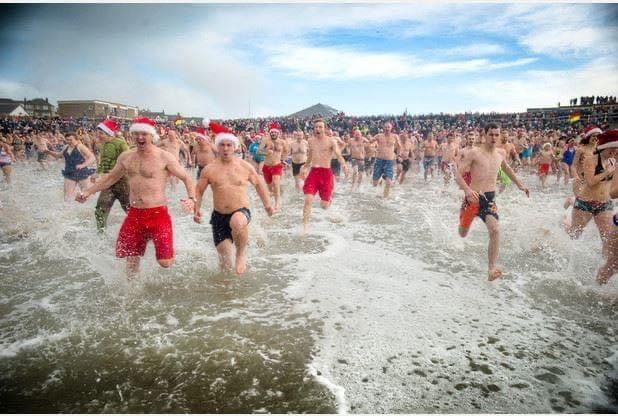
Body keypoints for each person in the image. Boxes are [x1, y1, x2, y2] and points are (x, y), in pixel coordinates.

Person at [76, 116, 196, 279]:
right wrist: (88, 192)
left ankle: (165, 248)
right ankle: (133, 295)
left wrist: (191, 199)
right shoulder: (126, 157)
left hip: (157, 214)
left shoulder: (164, 157)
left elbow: (187, 178)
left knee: (165, 263)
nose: (140, 137)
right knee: (130, 260)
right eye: (137, 134)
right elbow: (110, 178)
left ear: (151, 136)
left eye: (144, 134)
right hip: (135, 215)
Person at [193, 121, 274, 274]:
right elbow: (199, 191)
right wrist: (196, 209)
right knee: (225, 265)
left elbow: (258, 184)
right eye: (222, 145)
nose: (225, 148)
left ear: (235, 147)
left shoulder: (244, 166)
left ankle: (241, 254)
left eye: (229, 145)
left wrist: (267, 205)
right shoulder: (209, 170)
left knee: (237, 222)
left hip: (240, 211)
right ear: (217, 147)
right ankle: (228, 294)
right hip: (219, 217)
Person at [454, 122, 530, 281]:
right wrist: (467, 191)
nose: (494, 137)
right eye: (491, 134)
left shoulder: (501, 153)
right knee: (462, 233)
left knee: (495, 231)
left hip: (489, 199)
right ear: (485, 135)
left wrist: (520, 185)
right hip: (473, 198)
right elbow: (458, 174)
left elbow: (507, 169)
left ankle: (491, 269)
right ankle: (462, 225)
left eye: (497, 134)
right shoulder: (474, 153)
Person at [301, 118, 348, 233]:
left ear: (324, 128)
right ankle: (305, 227)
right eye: (316, 127)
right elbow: (310, 156)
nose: (318, 129)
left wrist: (344, 165)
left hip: (326, 174)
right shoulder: (311, 141)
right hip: (313, 173)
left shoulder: (331, 141)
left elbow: (338, 154)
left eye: (320, 127)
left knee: (324, 206)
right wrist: (305, 166)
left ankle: (329, 200)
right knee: (308, 199)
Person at [92, 119, 130, 233]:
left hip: (122, 181)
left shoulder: (120, 143)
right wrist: (97, 173)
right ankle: (101, 232)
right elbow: (103, 162)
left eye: (101, 133)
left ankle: (142, 231)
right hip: (108, 182)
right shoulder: (102, 145)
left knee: (129, 208)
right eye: (97, 133)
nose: (98, 135)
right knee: (100, 208)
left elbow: (129, 158)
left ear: (108, 133)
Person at [46, 132, 97, 201]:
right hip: (69, 173)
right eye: (67, 140)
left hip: (82, 173)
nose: (69, 141)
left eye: (70, 140)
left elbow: (92, 157)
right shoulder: (66, 147)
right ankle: (67, 210)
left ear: (76, 139)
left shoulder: (80, 146)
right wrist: (48, 152)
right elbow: (59, 155)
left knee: (86, 196)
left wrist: (83, 165)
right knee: (67, 198)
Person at [259, 122, 288, 211]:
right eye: (272, 132)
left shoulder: (282, 142)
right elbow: (259, 152)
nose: (273, 134)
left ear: (278, 133)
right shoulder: (265, 141)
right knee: (270, 188)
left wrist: (283, 160)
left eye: (275, 132)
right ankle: (275, 195)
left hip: (277, 166)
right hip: (266, 167)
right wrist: (266, 152)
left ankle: (277, 203)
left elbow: (286, 152)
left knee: (276, 183)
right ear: (270, 133)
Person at [370, 121, 399, 199]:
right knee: (375, 184)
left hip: (389, 162)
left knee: (389, 181)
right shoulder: (379, 136)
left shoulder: (395, 136)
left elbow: (399, 147)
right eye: (385, 127)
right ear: (383, 128)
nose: (387, 128)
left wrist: (398, 156)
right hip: (379, 161)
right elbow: (370, 142)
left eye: (388, 127)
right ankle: (380, 180)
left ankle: (385, 199)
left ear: (391, 128)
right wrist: (372, 148)